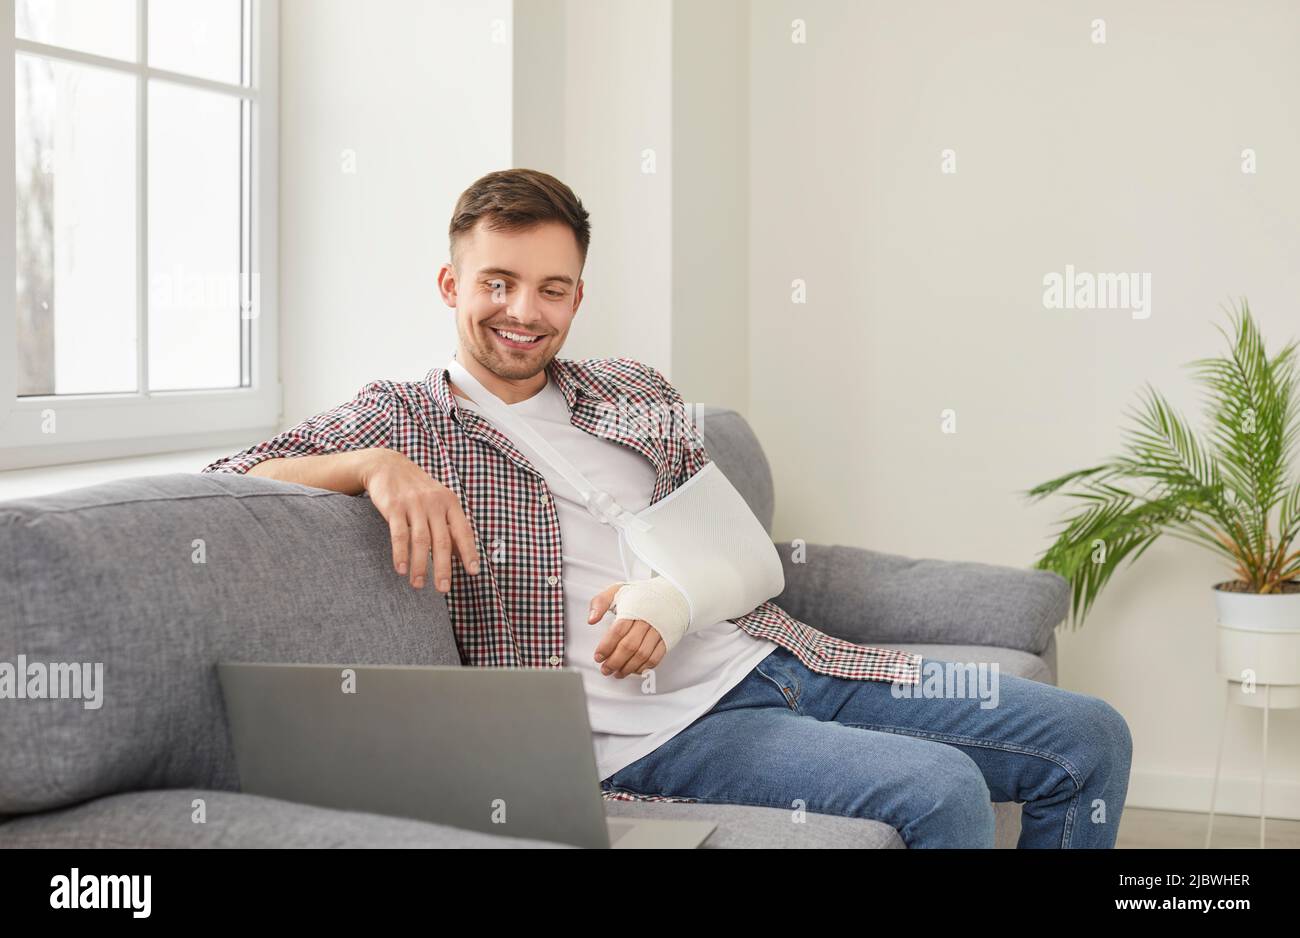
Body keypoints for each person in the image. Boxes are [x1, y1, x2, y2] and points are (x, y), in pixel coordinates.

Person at [203, 168, 1132, 848]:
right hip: (662, 734)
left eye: (551, 288)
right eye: (497, 282)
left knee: (1090, 736)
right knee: (940, 789)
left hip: (782, 657)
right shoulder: (404, 416)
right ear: (452, 286)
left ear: (577, 296)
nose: (523, 310)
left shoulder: (628, 387)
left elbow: (731, 552)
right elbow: (226, 475)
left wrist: (672, 599)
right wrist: (370, 466)